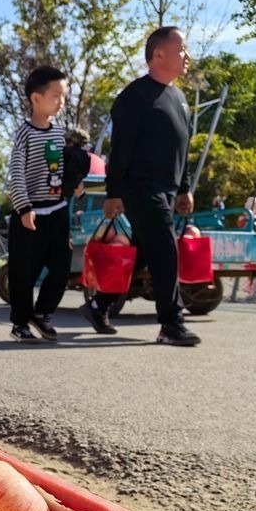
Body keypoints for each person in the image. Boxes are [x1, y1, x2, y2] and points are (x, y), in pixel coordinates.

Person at [86, 26, 200, 346]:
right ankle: (170, 323)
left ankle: (100, 304)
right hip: (140, 186)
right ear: (158, 54)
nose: (187, 56)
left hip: (167, 187)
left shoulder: (179, 98)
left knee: (142, 255)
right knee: (165, 247)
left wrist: (184, 187)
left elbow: (182, 148)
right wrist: (114, 193)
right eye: (182, 50)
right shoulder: (134, 96)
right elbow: (120, 149)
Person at [6, 65, 82, 343]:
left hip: (57, 210)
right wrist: (24, 208)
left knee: (62, 267)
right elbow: (16, 172)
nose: (61, 101)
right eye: (55, 96)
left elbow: (63, 168)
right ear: (36, 99)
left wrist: (75, 184)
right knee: (24, 272)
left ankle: (43, 313)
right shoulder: (24, 133)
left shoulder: (60, 134)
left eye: (63, 96)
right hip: (30, 212)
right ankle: (20, 323)